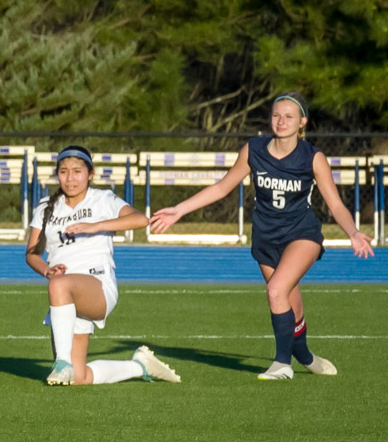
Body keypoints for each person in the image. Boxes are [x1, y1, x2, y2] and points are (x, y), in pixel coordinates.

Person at [151, 92, 374, 378]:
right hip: (266, 237)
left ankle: (282, 364)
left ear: (302, 121)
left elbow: (335, 203)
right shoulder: (253, 149)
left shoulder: (313, 157)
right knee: (289, 301)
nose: (281, 121)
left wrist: (353, 231)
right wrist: (179, 210)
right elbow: (222, 188)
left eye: (289, 116)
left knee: (275, 291)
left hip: (301, 234)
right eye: (276, 115)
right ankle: (305, 356)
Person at [26, 146, 181, 386]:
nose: (71, 178)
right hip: (64, 296)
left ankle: (62, 362)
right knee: (79, 378)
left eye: (77, 171)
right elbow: (32, 254)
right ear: (57, 174)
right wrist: (46, 270)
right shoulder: (46, 205)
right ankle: (139, 365)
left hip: (97, 287)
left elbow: (141, 219)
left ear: (90, 173)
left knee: (59, 285)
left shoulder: (103, 199)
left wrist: (94, 226)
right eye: (64, 171)